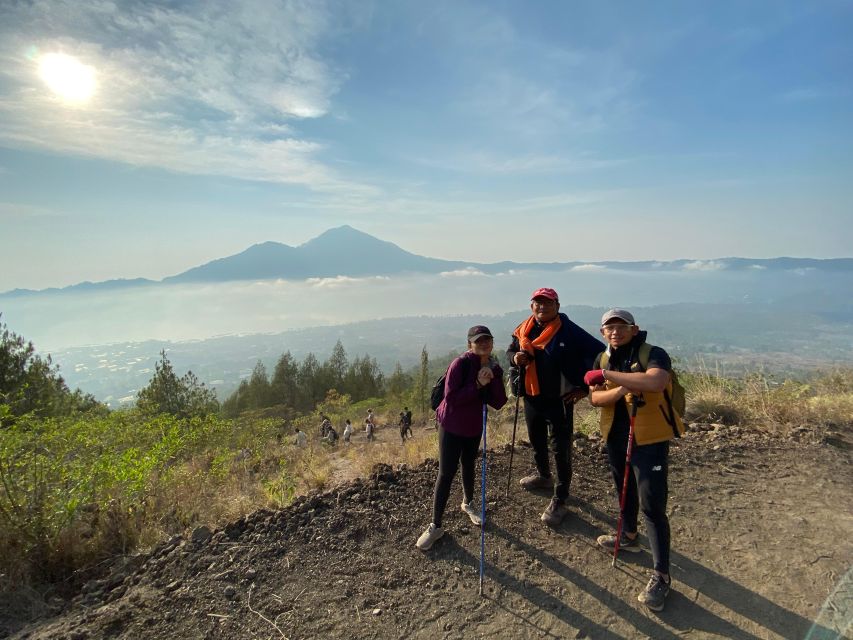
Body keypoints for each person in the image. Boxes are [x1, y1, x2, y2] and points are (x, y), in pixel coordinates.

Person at [585, 308, 685, 612]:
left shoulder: (653, 353)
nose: (615, 331)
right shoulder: (602, 357)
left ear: (634, 328)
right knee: (624, 491)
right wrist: (624, 387)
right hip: (616, 437)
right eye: (609, 327)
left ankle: (661, 576)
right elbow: (594, 398)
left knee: (652, 505)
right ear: (603, 332)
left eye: (621, 326)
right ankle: (628, 535)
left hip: (650, 440)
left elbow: (655, 382)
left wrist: (608, 377)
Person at [507, 287, 603, 526]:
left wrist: (584, 387)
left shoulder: (568, 331)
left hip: (559, 401)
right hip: (531, 397)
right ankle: (543, 476)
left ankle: (560, 498)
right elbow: (511, 350)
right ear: (532, 307)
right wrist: (514, 358)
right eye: (538, 303)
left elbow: (598, 353)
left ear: (557, 306)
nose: (542, 307)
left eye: (547, 303)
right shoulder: (523, 330)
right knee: (537, 440)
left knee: (561, 450)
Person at [416, 325, 507, 551]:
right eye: (478, 341)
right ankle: (435, 525)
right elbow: (452, 398)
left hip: (473, 427)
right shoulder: (460, 363)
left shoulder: (494, 366)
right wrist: (477, 384)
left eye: (487, 340)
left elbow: (498, 402)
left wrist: (492, 379)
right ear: (470, 344)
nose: (484, 344)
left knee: (469, 464)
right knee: (446, 472)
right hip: (451, 424)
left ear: (492, 343)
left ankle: (468, 503)